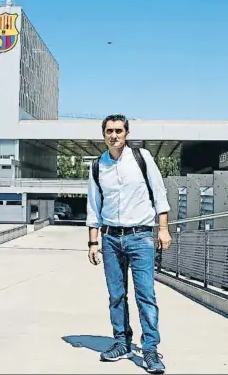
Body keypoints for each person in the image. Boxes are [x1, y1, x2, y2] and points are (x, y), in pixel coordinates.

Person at [86, 114, 172, 374]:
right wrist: (92, 242)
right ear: (103, 135)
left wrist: (164, 229)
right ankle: (121, 342)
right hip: (110, 238)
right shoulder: (97, 166)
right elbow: (94, 207)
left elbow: (159, 194)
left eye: (119, 131)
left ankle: (149, 350)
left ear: (127, 133)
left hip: (141, 236)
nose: (114, 135)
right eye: (109, 131)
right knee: (116, 295)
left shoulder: (142, 158)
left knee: (146, 295)